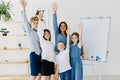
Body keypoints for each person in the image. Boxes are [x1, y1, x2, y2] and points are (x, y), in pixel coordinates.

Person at [20, 0, 42, 80]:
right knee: (33, 75)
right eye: (34, 23)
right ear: (31, 24)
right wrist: (23, 8)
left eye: (37, 23)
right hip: (33, 54)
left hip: (40, 55)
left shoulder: (40, 32)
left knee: (39, 75)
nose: (36, 25)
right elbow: (25, 21)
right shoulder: (29, 31)